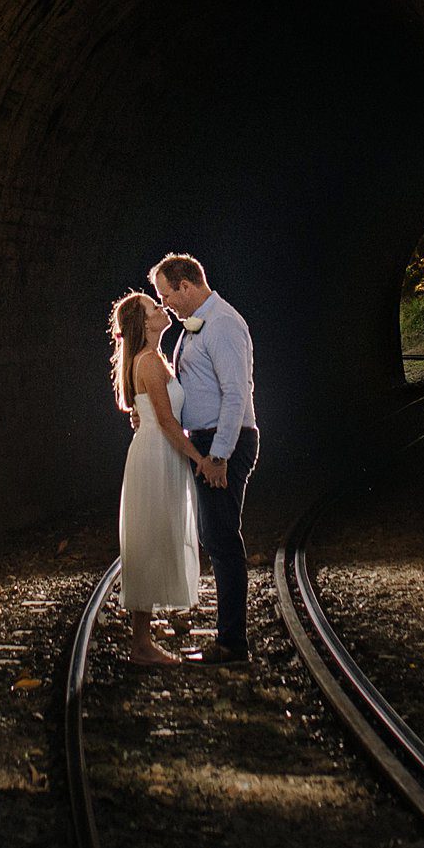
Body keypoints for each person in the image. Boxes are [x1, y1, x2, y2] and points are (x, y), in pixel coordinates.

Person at [149, 253, 257, 664]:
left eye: (166, 294)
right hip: (209, 439)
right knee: (216, 536)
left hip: (224, 441)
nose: (166, 304)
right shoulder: (198, 326)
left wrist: (218, 455)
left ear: (186, 286)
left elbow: (236, 394)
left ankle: (232, 644)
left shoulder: (224, 324)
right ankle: (229, 638)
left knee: (222, 538)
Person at [110, 288, 199, 665]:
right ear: (144, 324)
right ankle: (141, 646)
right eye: (153, 306)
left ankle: (143, 637)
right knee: (149, 542)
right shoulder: (147, 361)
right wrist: (199, 458)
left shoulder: (154, 358)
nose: (161, 307)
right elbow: (164, 420)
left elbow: (154, 413)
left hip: (158, 452)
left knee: (157, 536)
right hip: (155, 455)